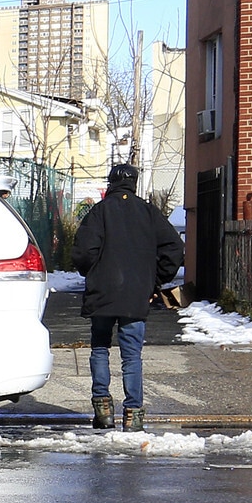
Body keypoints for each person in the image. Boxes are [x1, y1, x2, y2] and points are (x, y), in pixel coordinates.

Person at [74, 163, 183, 431]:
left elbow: (83, 252)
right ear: (134, 184)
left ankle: (103, 410)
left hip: (102, 294)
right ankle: (133, 415)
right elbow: (174, 248)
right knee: (131, 355)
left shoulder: (99, 212)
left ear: (111, 183)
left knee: (100, 348)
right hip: (136, 294)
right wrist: (154, 281)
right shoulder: (148, 212)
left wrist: (93, 273)